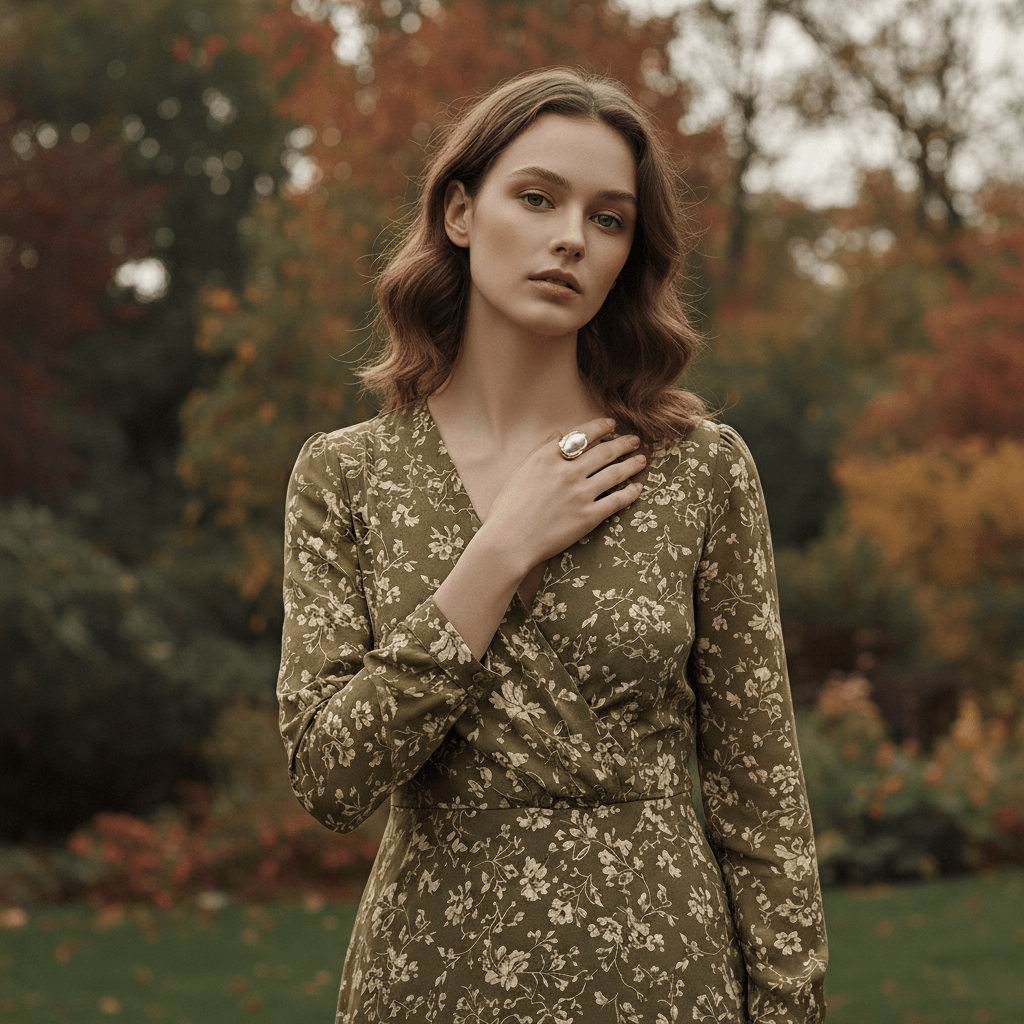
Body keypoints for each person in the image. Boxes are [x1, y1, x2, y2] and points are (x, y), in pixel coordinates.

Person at [277, 67, 828, 1024]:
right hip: (428, 981)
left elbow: (763, 799)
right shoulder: (345, 476)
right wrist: (497, 555)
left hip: (663, 981)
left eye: (608, 219)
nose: (571, 236)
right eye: (537, 199)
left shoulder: (698, 471)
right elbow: (332, 778)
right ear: (460, 211)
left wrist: (788, 1005)